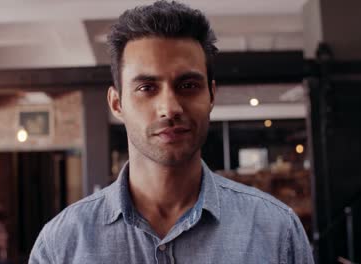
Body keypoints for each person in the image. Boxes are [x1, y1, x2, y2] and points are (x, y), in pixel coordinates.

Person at [29, 1, 314, 263]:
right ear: (117, 103)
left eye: (188, 85)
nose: (170, 107)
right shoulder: (62, 244)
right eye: (146, 88)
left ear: (211, 96)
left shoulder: (275, 230)